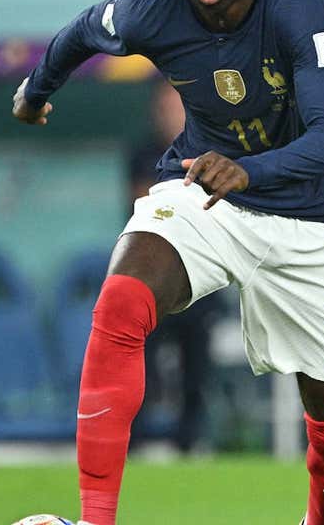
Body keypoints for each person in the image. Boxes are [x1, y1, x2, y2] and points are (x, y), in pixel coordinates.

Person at [11, 0, 324, 523]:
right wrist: (36, 91)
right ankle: (95, 520)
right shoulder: (154, 10)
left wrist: (249, 170)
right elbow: (83, 31)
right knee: (121, 299)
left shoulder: (297, 6)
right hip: (205, 195)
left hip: (311, 218)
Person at [130, 82, 219, 454]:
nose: (172, 114)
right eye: (166, 106)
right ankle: (131, 443)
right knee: (138, 367)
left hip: (195, 276)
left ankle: (189, 442)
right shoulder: (142, 153)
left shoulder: (210, 154)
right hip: (151, 279)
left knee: (195, 367)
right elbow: (141, 205)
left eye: (178, 106)